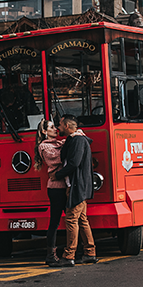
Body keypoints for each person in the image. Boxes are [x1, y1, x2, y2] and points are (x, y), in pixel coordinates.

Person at [54, 114, 97, 266]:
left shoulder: (78, 141)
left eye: (59, 124)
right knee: (82, 220)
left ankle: (69, 255)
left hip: (76, 186)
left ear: (66, 126)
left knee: (71, 219)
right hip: (79, 185)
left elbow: (73, 163)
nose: (58, 127)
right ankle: (89, 252)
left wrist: (57, 175)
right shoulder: (76, 139)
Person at [34, 118, 66, 265]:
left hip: (64, 186)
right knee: (54, 221)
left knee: (72, 219)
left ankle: (72, 250)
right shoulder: (44, 147)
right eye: (52, 127)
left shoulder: (59, 143)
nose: (56, 129)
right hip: (55, 188)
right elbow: (57, 158)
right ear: (44, 132)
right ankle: (50, 255)